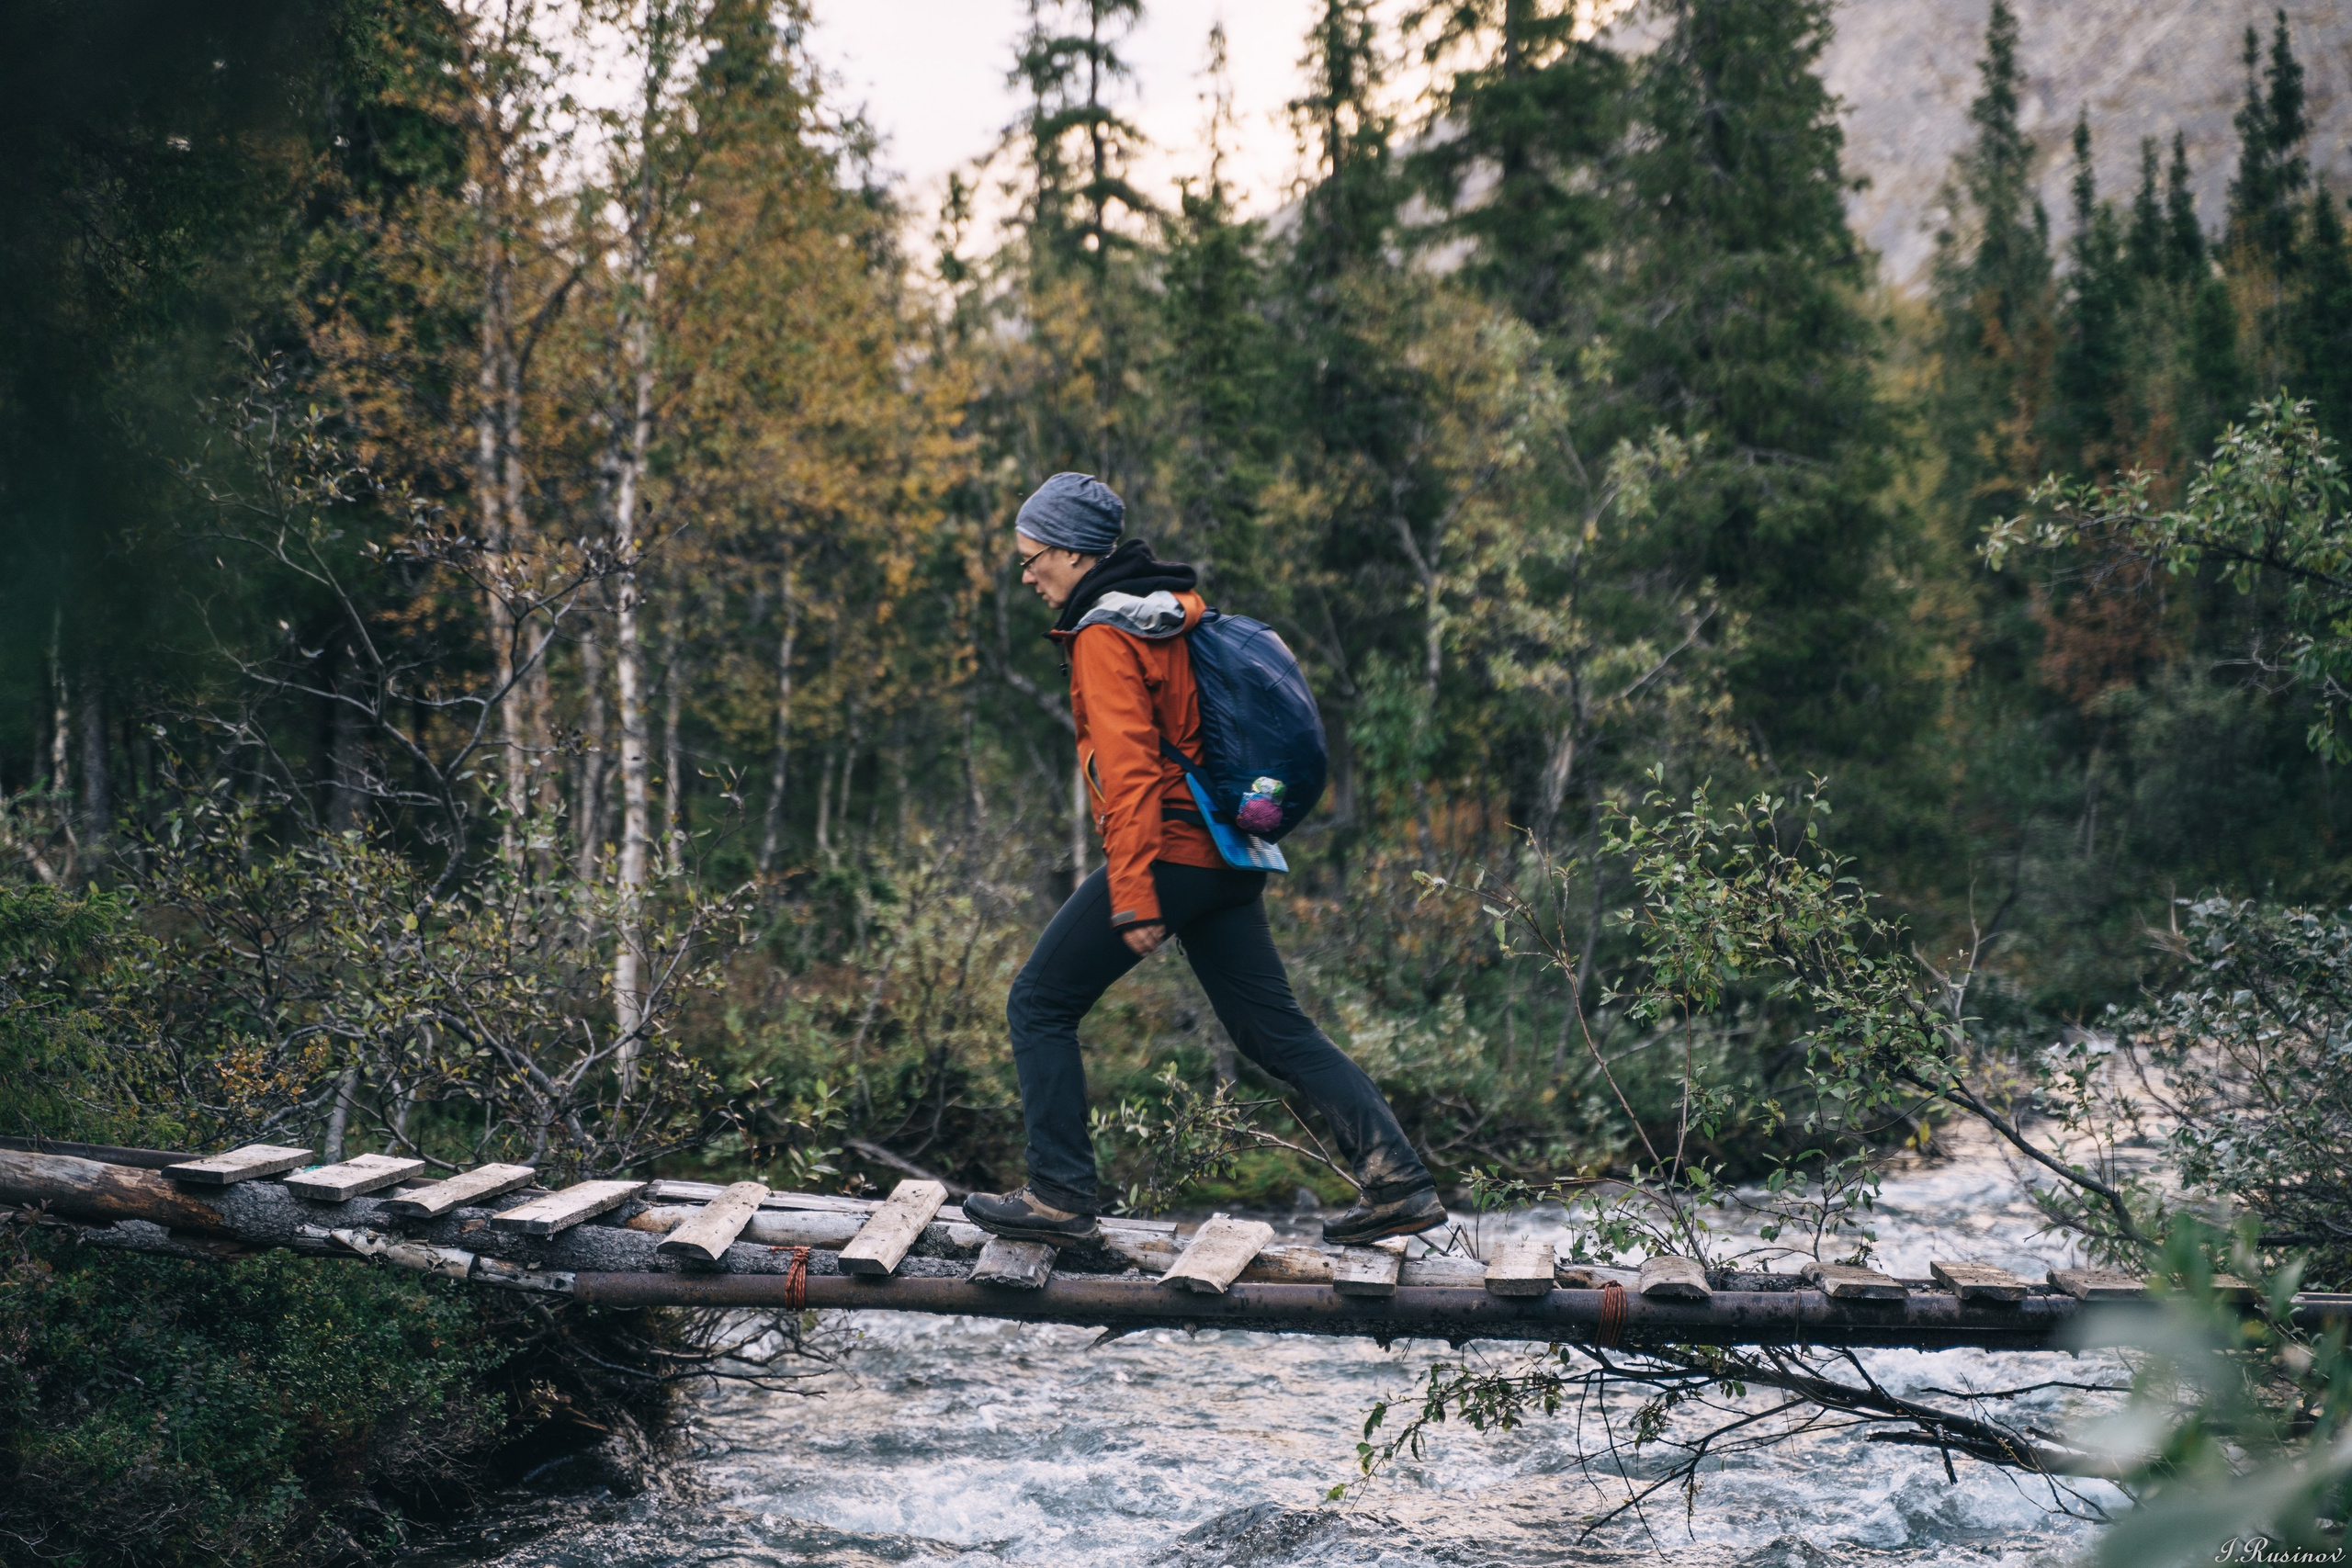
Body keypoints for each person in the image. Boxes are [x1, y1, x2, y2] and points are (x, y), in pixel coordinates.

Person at [962, 471, 1447, 1248]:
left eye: (1032, 556)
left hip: (1173, 852)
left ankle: (1059, 1196)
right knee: (1270, 1027)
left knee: (1038, 1002)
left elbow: (1129, 772)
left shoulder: (1104, 633)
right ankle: (1400, 1181)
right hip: (1230, 850)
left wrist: (1135, 892)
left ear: (1075, 553)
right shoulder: (1164, 615)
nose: (1026, 574)